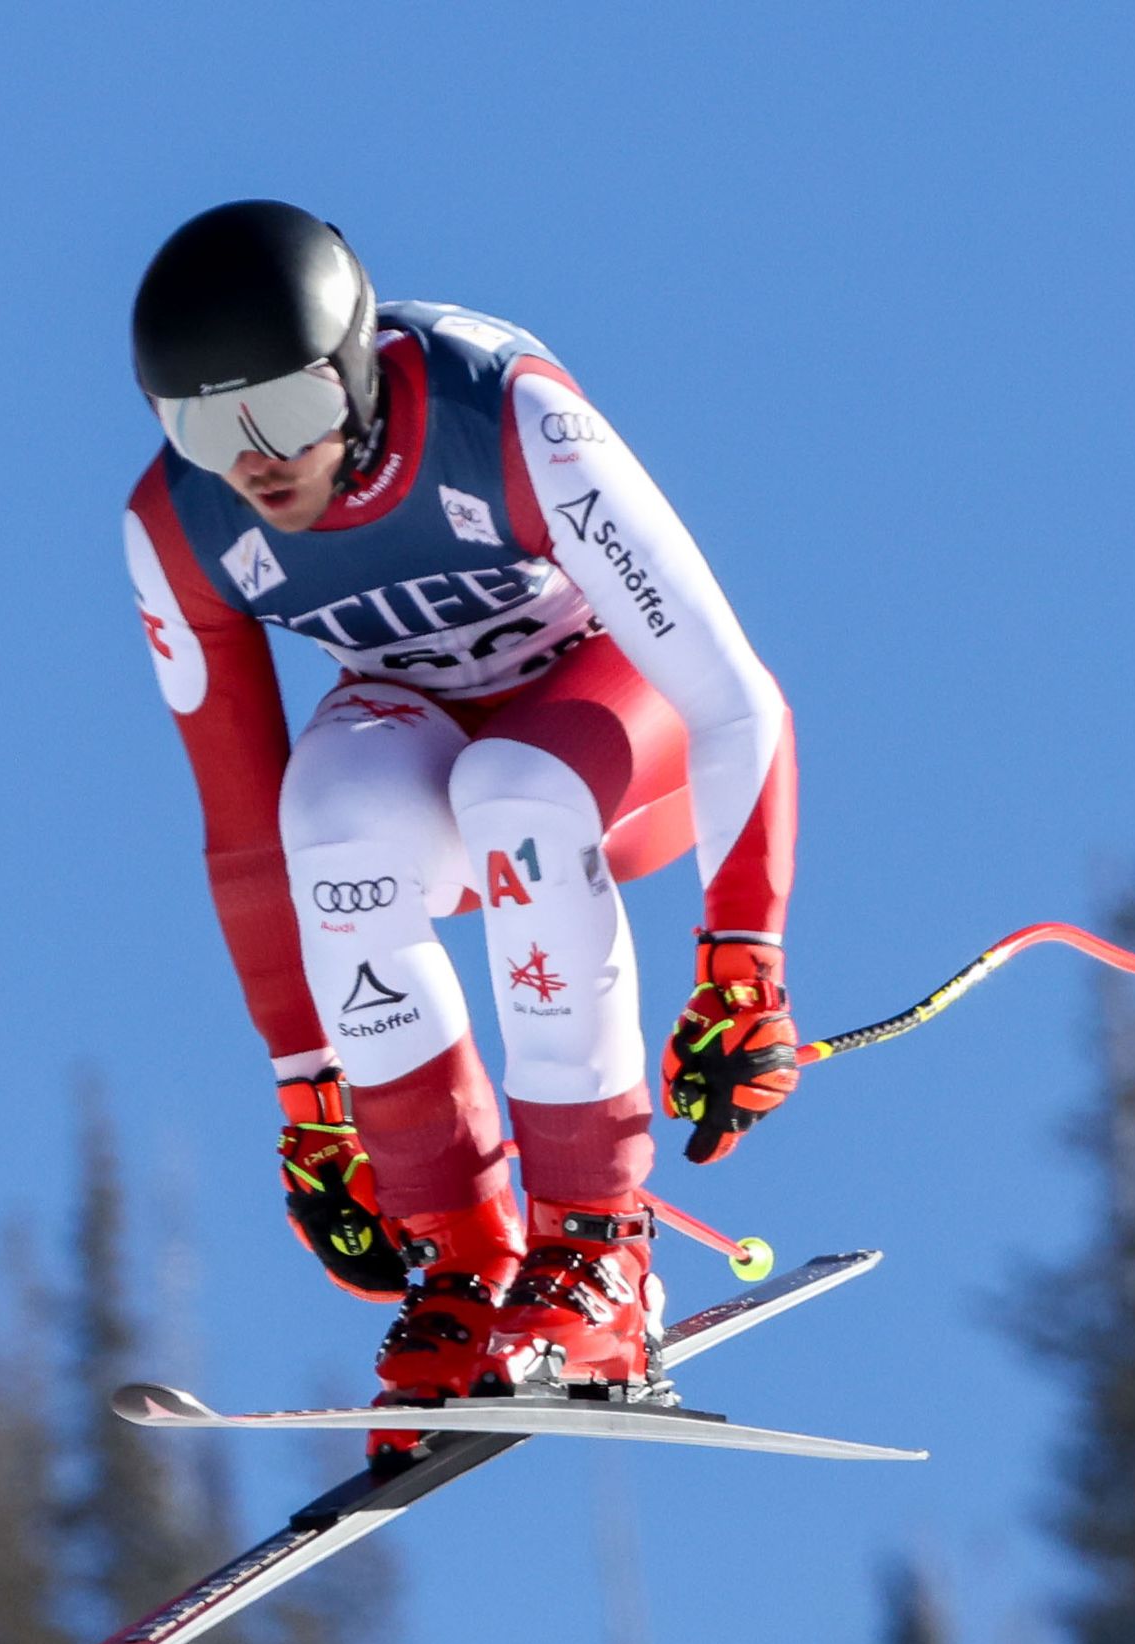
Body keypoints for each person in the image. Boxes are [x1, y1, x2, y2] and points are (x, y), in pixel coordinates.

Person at [121, 201, 799, 1427]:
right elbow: (238, 833)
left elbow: (733, 696)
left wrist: (742, 960)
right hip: (421, 724)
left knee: (519, 795)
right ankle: (466, 1256)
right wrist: (310, 1096)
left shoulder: (506, 418)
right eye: (201, 423)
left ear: (356, 370)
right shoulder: (180, 525)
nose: (252, 457)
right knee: (323, 818)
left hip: (610, 721)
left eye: (283, 408)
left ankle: (600, 1250)